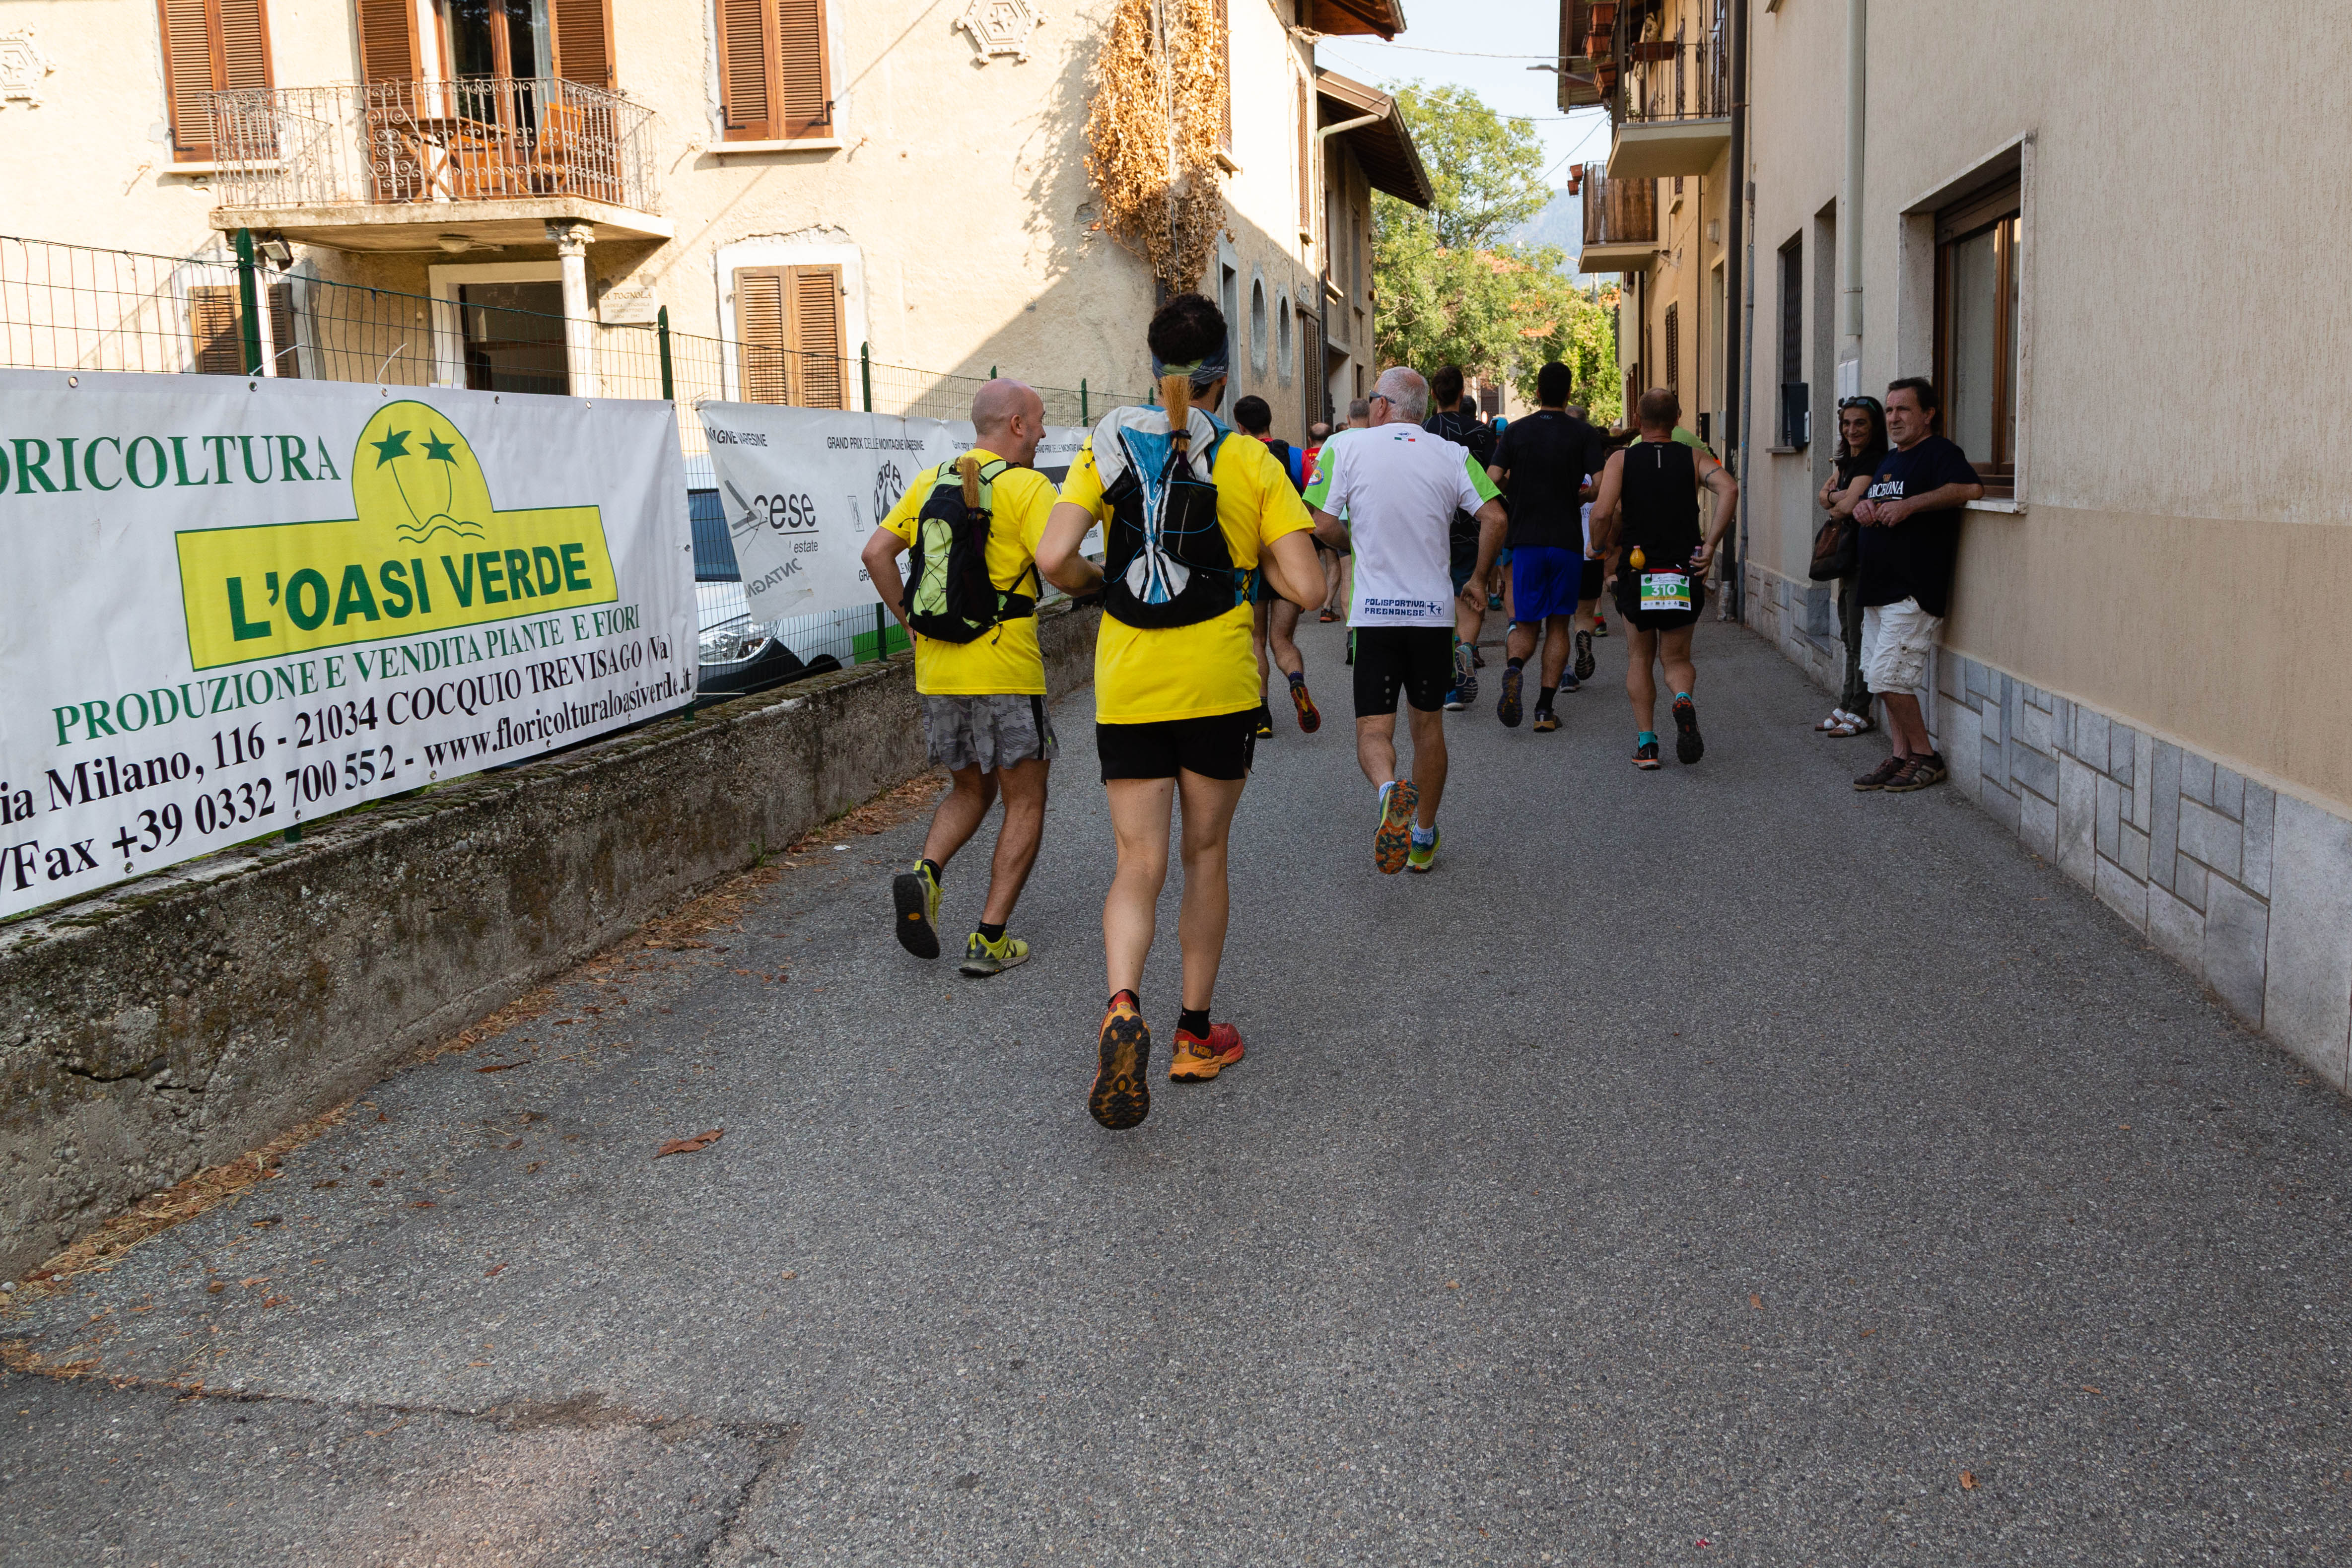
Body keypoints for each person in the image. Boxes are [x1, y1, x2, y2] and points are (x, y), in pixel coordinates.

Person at [1036, 292, 1326, 1130]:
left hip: (1129, 681)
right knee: (1204, 855)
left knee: (1137, 861)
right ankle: (1195, 1034)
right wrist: (1251, 566)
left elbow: (1053, 557)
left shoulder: (1106, 443)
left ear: (1152, 365)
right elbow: (1308, 586)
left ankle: (1122, 1004)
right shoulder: (1249, 461)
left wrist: (1102, 584)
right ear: (1222, 376)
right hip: (1216, 685)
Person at [860, 379, 1061, 977]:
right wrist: (1098, 584)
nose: (1044, 432)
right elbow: (1057, 565)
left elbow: (876, 553)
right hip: (1004, 667)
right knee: (1026, 799)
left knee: (970, 789)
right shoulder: (1027, 487)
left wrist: (910, 623)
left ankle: (926, 874)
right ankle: (989, 939)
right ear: (1017, 425)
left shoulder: (930, 481)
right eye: (1039, 420)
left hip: (938, 669)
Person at [1307, 367, 1506, 874]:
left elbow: (1321, 523)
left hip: (1374, 617)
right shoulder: (1452, 454)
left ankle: (1388, 791)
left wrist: (1355, 542)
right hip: (1432, 618)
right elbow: (1496, 517)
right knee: (1428, 729)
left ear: (1380, 405)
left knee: (1374, 731)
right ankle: (1422, 836)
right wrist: (1478, 579)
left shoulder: (1344, 447)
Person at [1589, 387, 1739, 769]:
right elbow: (1730, 488)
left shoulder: (1621, 460)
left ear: (1638, 421)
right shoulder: (1694, 457)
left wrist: (1597, 547)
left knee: (1640, 656)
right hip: (1682, 568)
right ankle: (1682, 698)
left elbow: (1602, 512)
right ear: (1677, 419)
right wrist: (1710, 545)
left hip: (1639, 569)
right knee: (1676, 658)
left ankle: (1647, 745)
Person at [1850, 377, 1983, 793]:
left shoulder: (1940, 452)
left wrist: (1910, 505)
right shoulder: (1892, 460)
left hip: (1912, 591)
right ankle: (1901, 754)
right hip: (1878, 591)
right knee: (1877, 675)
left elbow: (1970, 487)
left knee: (1889, 676)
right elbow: (1876, 502)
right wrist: (1864, 506)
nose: (1894, 418)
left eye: (1903, 409)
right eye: (1889, 410)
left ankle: (1926, 756)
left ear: (1928, 414)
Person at [1487, 361, 1609, 732]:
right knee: (1559, 624)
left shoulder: (1517, 431)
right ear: (1568, 393)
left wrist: (1514, 490)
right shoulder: (1584, 433)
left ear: (1538, 392)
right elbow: (1600, 486)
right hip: (1566, 542)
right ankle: (1544, 710)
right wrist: (1583, 495)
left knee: (1526, 624)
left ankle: (1514, 669)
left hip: (1526, 541)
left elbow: (1492, 480)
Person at [1232, 395, 1322, 738]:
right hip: (1289, 561)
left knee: (1256, 639)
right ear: (1270, 420)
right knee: (1282, 639)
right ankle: (1296, 681)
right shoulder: (1297, 456)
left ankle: (1262, 715)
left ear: (1240, 426)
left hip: (1254, 561)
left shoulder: (1239, 457)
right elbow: (1314, 501)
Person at [1814, 396, 1889, 737]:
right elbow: (1824, 497)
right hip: (1845, 559)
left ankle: (1861, 709)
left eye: (1860, 423)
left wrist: (1836, 497)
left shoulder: (1873, 460)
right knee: (1848, 634)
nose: (1852, 429)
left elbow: (1845, 507)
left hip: (1864, 558)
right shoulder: (1848, 461)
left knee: (1859, 637)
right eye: (1847, 423)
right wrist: (1836, 496)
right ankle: (1846, 703)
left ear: (1874, 427)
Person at [1422, 366, 1496, 709]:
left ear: (1433, 395)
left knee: (1437, 597)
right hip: (1473, 525)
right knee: (1469, 590)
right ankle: (1466, 647)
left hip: (1433, 525)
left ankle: (1448, 678)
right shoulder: (1481, 433)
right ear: (1462, 394)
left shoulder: (1422, 432)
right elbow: (1495, 478)